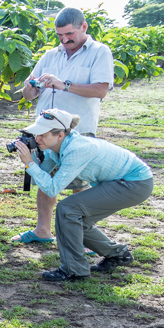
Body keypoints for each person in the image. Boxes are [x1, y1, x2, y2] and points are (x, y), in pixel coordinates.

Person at [13, 108, 153, 282]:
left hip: (134, 183)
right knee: (78, 219)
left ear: (60, 135)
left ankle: (74, 270)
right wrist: (32, 158)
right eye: (36, 134)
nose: (37, 139)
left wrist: (29, 164)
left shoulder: (77, 149)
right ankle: (118, 254)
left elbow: (51, 189)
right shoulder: (54, 148)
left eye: (42, 134)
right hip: (123, 181)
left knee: (67, 209)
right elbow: (40, 178)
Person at [13, 7, 115, 245]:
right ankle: (42, 231)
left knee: (79, 185)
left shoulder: (99, 52)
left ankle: (83, 238)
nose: (65, 39)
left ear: (84, 27)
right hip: (45, 133)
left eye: (69, 34)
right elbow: (29, 94)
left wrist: (64, 85)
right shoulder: (50, 55)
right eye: (60, 35)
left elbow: (101, 90)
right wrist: (31, 87)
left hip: (76, 132)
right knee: (45, 178)